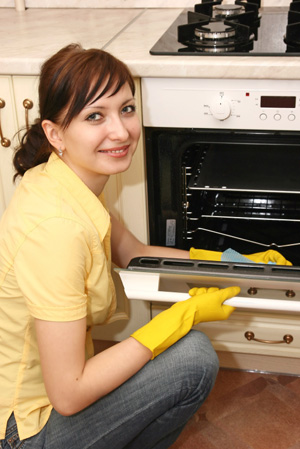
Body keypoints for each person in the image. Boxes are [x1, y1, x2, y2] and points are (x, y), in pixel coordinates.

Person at [0, 43, 244, 449]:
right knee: (193, 358)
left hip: (38, 400)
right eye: (95, 116)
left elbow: (133, 252)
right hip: (25, 430)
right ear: (55, 133)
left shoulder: (62, 179)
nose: (121, 131)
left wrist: (230, 262)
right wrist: (177, 320)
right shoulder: (56, 229)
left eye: (126, 109)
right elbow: (69, 393)